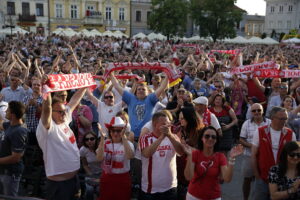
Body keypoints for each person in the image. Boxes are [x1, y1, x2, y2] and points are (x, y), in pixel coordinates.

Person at [36, 84, 88, 200]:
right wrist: (46, 90)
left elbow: (74, 100)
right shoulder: (47, 128)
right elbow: (47, 108)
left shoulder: (64, 119)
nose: (64, 114)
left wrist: (85, 85)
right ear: (51, 113)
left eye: (64, 111)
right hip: (59, 186)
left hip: (74, 180)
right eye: (60, 112)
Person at [183, 126, 244, 200]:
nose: (210, 139)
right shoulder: (195, 154)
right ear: (202, 138)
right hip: (193, 196)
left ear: (216, 140)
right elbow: (188, 177)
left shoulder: (220, 156)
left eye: (213, 137)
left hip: (213, 197)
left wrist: (232, 158)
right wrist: (190, 156)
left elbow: (227, 179)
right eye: (207, 136)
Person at [252, 106, 297, 200]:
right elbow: (253, 155)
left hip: (282, 179)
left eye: (286, 118)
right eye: (281, 118)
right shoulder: (260, 132)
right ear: (272, 118)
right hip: (263, 178)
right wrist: (257, 176)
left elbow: (295, 157)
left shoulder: (290, 134)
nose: (284, 121)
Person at [139, 111, 184, 200]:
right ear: (155, 124)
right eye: (164, 124)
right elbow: (146, 154)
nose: (167, 126)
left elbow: (181, 152)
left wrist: (170, 136)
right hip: (150, 191)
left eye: (168, 123)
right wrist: (161, 138)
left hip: (171, 188)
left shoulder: (173, 137)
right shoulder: (146, 138)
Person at [110, 72, 168, 140]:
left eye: (143, 89)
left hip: (147, 136)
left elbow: (162, 87)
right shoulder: (131, 98)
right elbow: (116, 86)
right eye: (139, 89)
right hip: (132, 136)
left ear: (148, 92)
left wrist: (168, 75)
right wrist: (110, 73)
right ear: (136, 92)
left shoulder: (150, 99)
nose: (141, 91)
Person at [96, 116, 134, 200]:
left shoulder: (128, 144)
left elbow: (130, 156)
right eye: (113, 130)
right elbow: (99, 158)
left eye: (119, 131)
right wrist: (102, 139)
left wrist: (123, 137)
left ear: (123, 131)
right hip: (107, 178)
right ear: (109, 131)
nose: (115, 133)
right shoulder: (105, 143)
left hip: (123, 178)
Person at [239, 103, 271, 200]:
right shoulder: (246, 123)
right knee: (247, 179)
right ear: (251, 112)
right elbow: (241, 139)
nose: (256, 112)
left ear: (263, 111)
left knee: (267, 179)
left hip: (266, 157)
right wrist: (253, 147)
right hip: (249, 155)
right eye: (254, 111)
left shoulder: (269, 123)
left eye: (259, 110)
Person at [0, 101, 28, 196]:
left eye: (7, 110)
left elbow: (15, 157)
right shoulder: (10, 125)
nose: (5, 111)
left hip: (10, 173)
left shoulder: (19, 131)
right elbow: (0, 124)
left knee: (9, 198)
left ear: (13, 115)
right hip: (4, 171)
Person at [80, 131, 102, 200]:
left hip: (102, 173)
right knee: (89, 191)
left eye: (92, 139)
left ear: (96, 139)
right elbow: (85, 165)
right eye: (87, 139)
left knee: (100, 190)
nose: (89, 141)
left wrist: (100, 178)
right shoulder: (83, 150)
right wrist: (91, 175)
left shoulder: (101, 148)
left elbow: (106, 164)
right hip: (90, 173)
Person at [22, 78, 43, 145]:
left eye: (38, 85)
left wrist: (36, 104)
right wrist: (27, 104)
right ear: (31, 86)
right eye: (34, 85)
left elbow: (45, 113)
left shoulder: (45, 98)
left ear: (41, 87)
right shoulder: (26, 98)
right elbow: (22, 112)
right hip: (28, 129)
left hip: (40, 130)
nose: (36, 86)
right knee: (29, 151)